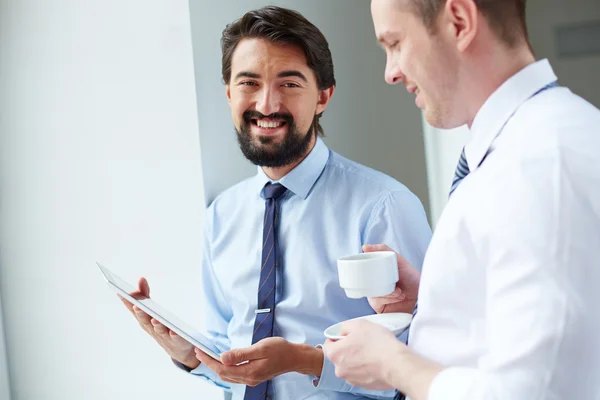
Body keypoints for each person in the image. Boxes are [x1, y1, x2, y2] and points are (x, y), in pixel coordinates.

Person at [120, 6, 432, 400]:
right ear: (229, 93)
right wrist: (192, 356)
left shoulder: (383, 206)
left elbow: (423, 366)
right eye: (249, 83)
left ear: (323, 96)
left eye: (289, 84)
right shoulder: (221, 216)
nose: (267, 105)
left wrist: (308, 361)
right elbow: (230, 353)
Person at [323, 0, 600, 399]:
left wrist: (392, 363)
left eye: (396, 43)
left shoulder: (537, 165)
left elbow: (536, 391)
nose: (391, 72)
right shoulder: (518, 151)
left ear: (459, 21)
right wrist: (437, 298)